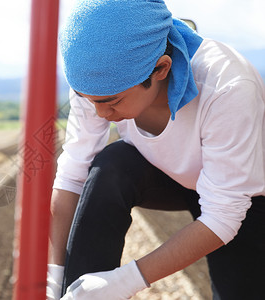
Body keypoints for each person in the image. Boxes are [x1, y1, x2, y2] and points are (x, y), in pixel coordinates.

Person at [46, 0, 265, 299]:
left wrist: (124, 281)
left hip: (248, 197)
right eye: (89, 100)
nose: (101, 114)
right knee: (111, 166)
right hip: (172, 179)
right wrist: (56, 272)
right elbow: (72, 175)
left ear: (161, 68)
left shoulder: (228, 84)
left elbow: (223, 216)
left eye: (111, 102)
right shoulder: (98, 81)